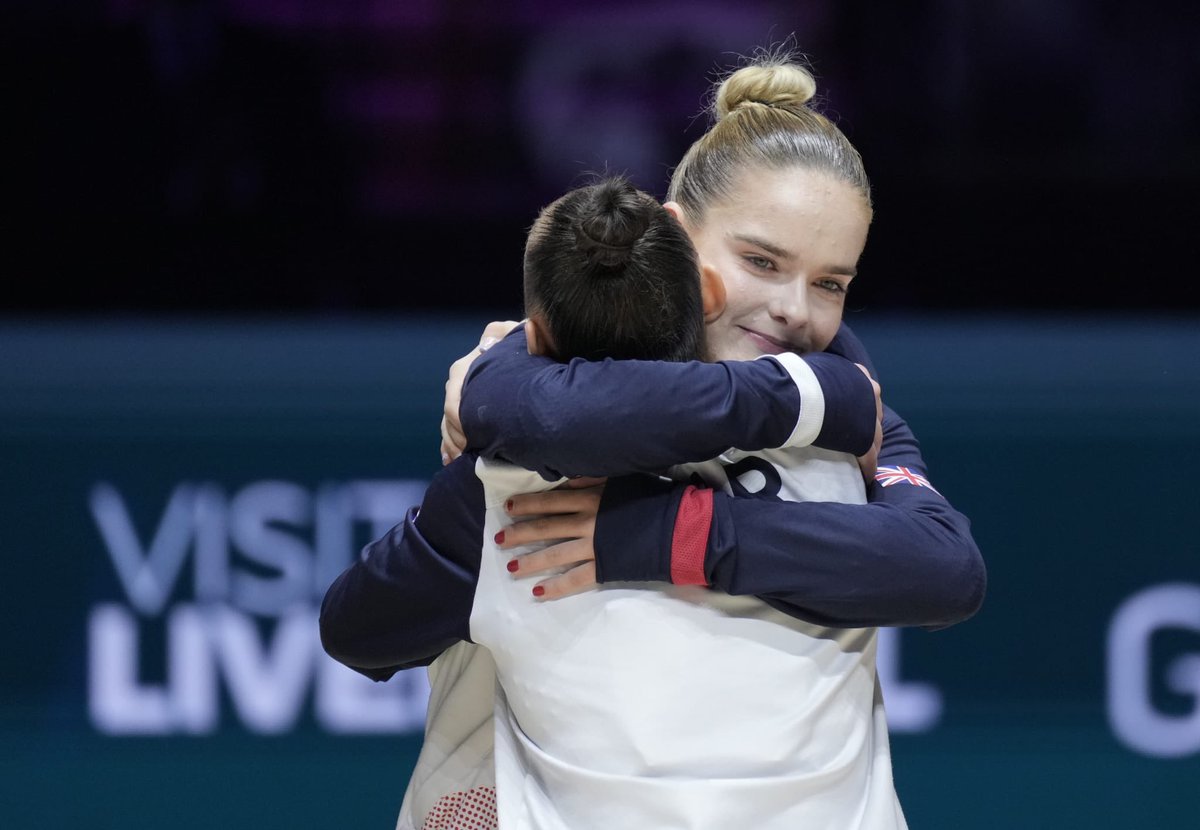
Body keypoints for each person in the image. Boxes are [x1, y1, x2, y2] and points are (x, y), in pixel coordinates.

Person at [323, 51, 985, 829]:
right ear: (672, 237)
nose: (795, 310)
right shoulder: (529, 452)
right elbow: (362, 628)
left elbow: (946, 570)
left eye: (831, 284)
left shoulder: (850, 423)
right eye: (760, 260)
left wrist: (670, 532)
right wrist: (808, 396)